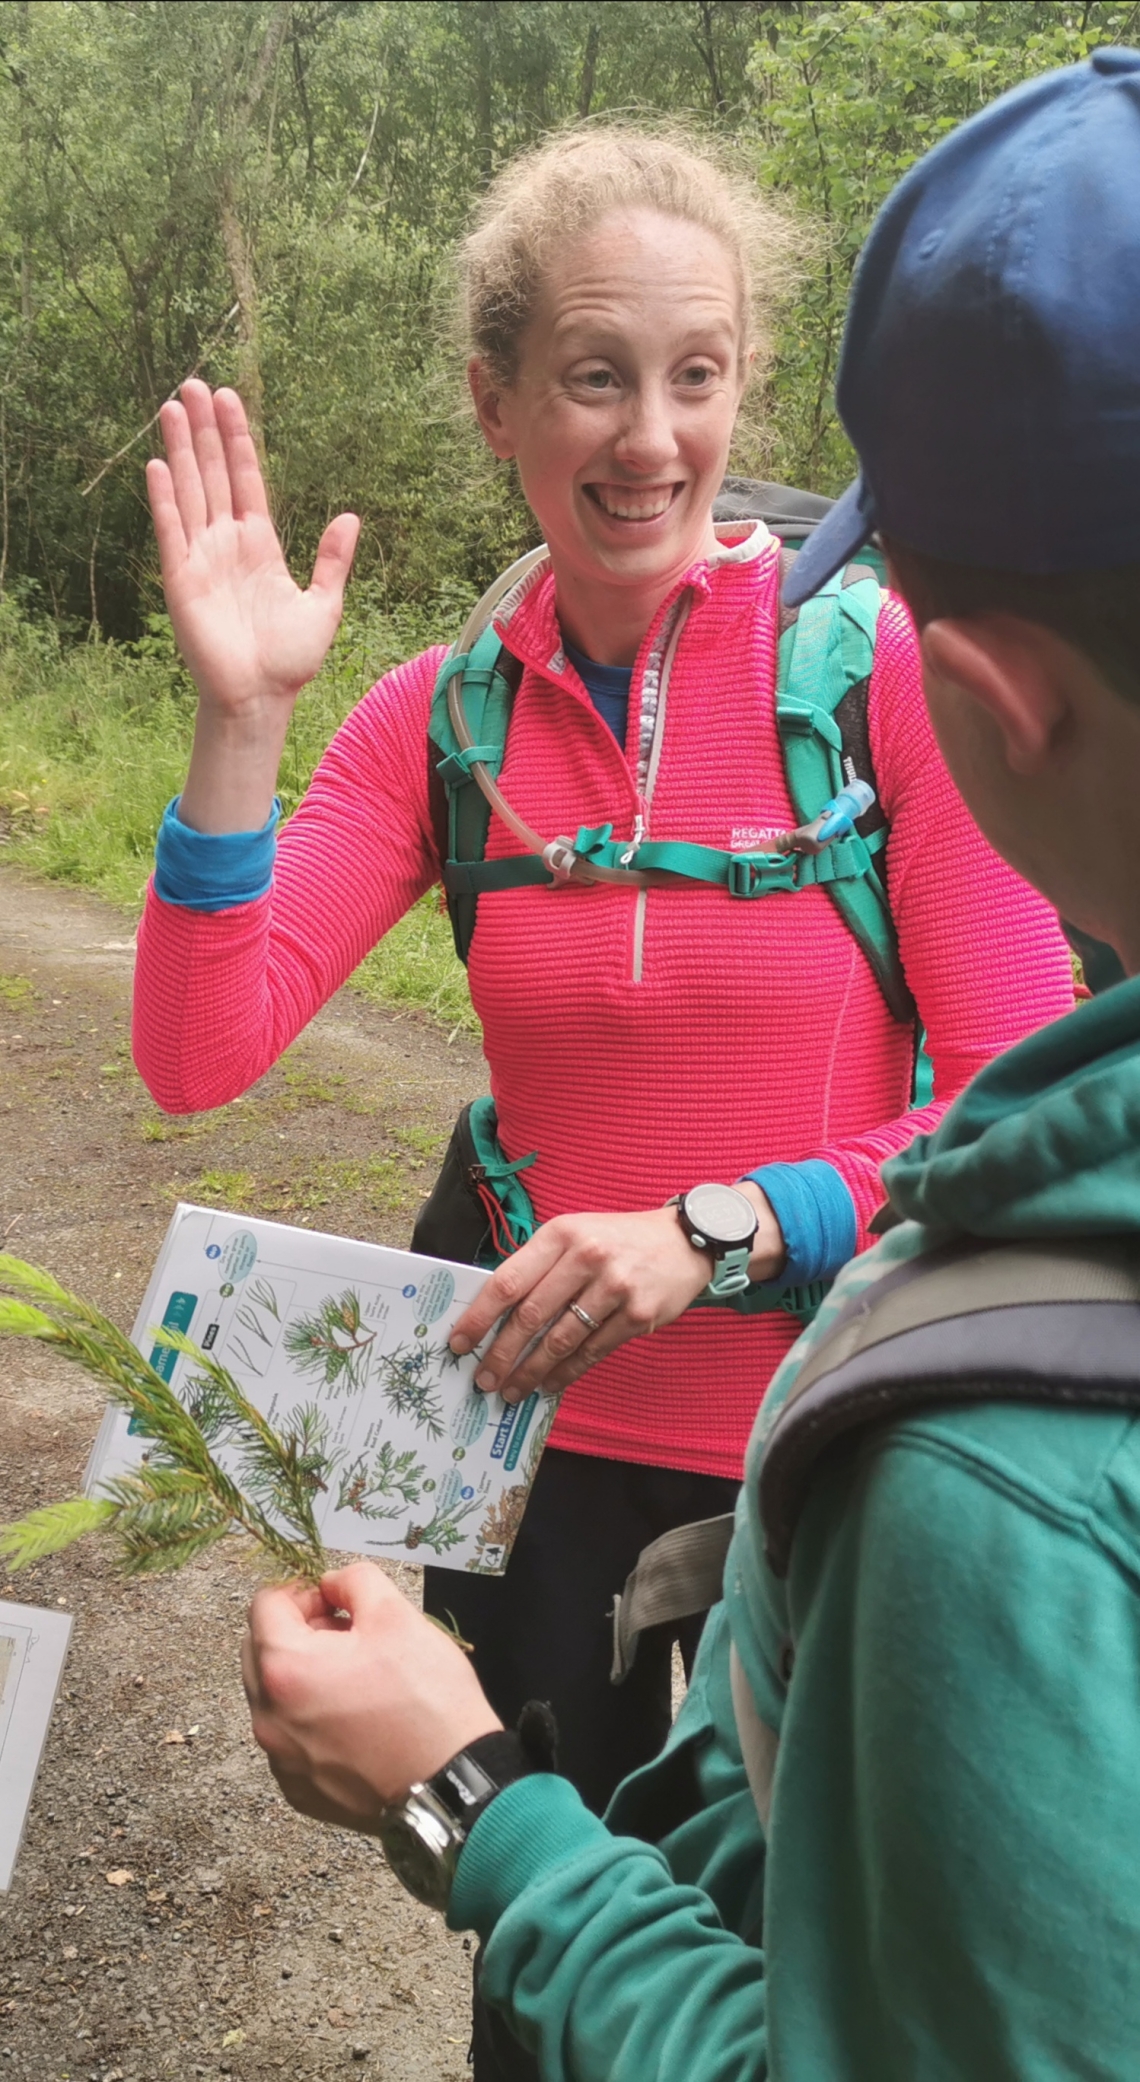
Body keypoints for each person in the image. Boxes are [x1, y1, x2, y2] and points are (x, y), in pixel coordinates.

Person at [240, 49, 1140, 2082]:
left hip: (807, 1428)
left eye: (706, 377)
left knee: (763, 1906)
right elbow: (206, 1043)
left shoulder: (874, 669)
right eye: (593, 378)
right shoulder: (442, 713)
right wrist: (236, 728)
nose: (661, 442)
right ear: (494, 399)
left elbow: (994, 1087)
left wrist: (729, 1227)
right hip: (545, 1432)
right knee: (536, 1983)